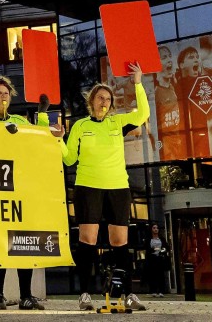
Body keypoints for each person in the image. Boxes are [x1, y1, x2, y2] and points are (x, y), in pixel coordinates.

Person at [62, 62, 149, 312]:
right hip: (88, 187)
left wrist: (138, 83)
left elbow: (142, 115)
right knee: (88, 240)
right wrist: (58, 140)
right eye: (100, 98)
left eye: (108, 99)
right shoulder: (80, 126)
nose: (104, 102)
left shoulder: (117, 123)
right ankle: (85, 294)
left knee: (120, 241)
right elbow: (69, 159)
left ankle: (129, 294)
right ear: (92, 101)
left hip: (117, 187)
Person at [0, 74, 48, 310]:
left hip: (20, 187)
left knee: (23, 242)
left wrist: (43, 114)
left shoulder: (20, 120)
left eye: (6, 93)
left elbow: (42, 139)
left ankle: (26, 295)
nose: (3, 96)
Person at [175, 46, 212, 156]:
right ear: (182, 65)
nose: (196, 59)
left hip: (205, 135)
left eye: (197, 57)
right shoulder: (176, 86)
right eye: (191, 57)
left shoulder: (203, 81)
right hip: (186, 138)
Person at [153, 46, 190, 161]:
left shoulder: (175, 87)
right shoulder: (156, 94)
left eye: (170, 56)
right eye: (164, 57)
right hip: (167, 149)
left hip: (179, 145)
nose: (169, 60)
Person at [145, 224, 168, 297]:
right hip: (152, 258)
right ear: (151, 229)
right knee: (152, 275)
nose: (156, 229)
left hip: (160, 258)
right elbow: (146, 248)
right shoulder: (149, 239)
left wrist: (163, 250)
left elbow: (166, 246)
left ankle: (161, 291)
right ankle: (153, 290)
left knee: (161, 275)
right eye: (154, 228)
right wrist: (153, 249)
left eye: (157, 228)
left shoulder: (161, 239)